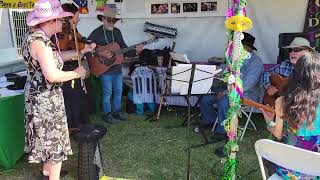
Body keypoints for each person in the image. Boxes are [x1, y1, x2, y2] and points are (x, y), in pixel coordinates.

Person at [22, 0, 93, 179]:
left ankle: (47, 175)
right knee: (54, 152)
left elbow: (53, 58)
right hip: (45, 102)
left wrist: (75, 53)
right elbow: (52, 75)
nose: (63, 23)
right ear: (50, 21)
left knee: (50, 150)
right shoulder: (40, 42)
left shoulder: (39, 37)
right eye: (60, 20)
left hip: (45, 99)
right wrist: (76, 74)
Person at [261, 51, 320, 179]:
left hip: (289, 171)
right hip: (316, 173)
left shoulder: (281, 101)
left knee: (267, 157)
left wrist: (269, 120)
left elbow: (278, 134)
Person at [199, 32, 264, 140]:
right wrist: (213, 76)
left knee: (224, 100)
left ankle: (223, 131)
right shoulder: (233, 58)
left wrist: (225, 92)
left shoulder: (256, 62)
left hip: (247, 94)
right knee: (204, 96)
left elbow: (247, 85)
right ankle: (210, 120)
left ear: (247, 47)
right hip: (228, 89)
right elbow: (224, 72)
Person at [88, 7, 143, 124]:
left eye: (114, 21)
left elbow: (124, 48)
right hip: (104, 69)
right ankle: (107, 114)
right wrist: (100, 52)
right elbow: (88, 49)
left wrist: (136, 51)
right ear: (103, 19)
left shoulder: (117, 32)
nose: (111, 23)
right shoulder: (96, 33)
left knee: (118, 90)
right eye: (109, 20)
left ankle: (117, 112)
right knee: (108, 92)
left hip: (116, 68)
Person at [57, 3, 96, 130]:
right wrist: (81, 48)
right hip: (67, 69)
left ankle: (81, 124)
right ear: (68, 17)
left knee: (80, 97)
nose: (78, 19)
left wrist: (86, 45)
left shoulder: (74, 30)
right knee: (72, 98)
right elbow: (62, 49)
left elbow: (80, 43)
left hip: (76, 67)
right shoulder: (59, 33)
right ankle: (73, 126)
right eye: (76, 17)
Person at [262, 37, 314, 106]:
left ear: (308, 52)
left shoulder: (314, 69)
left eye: (296, 50)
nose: (292, 53)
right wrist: (268, 86)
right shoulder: (285, 64)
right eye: (290, 50)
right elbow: (266, 73)